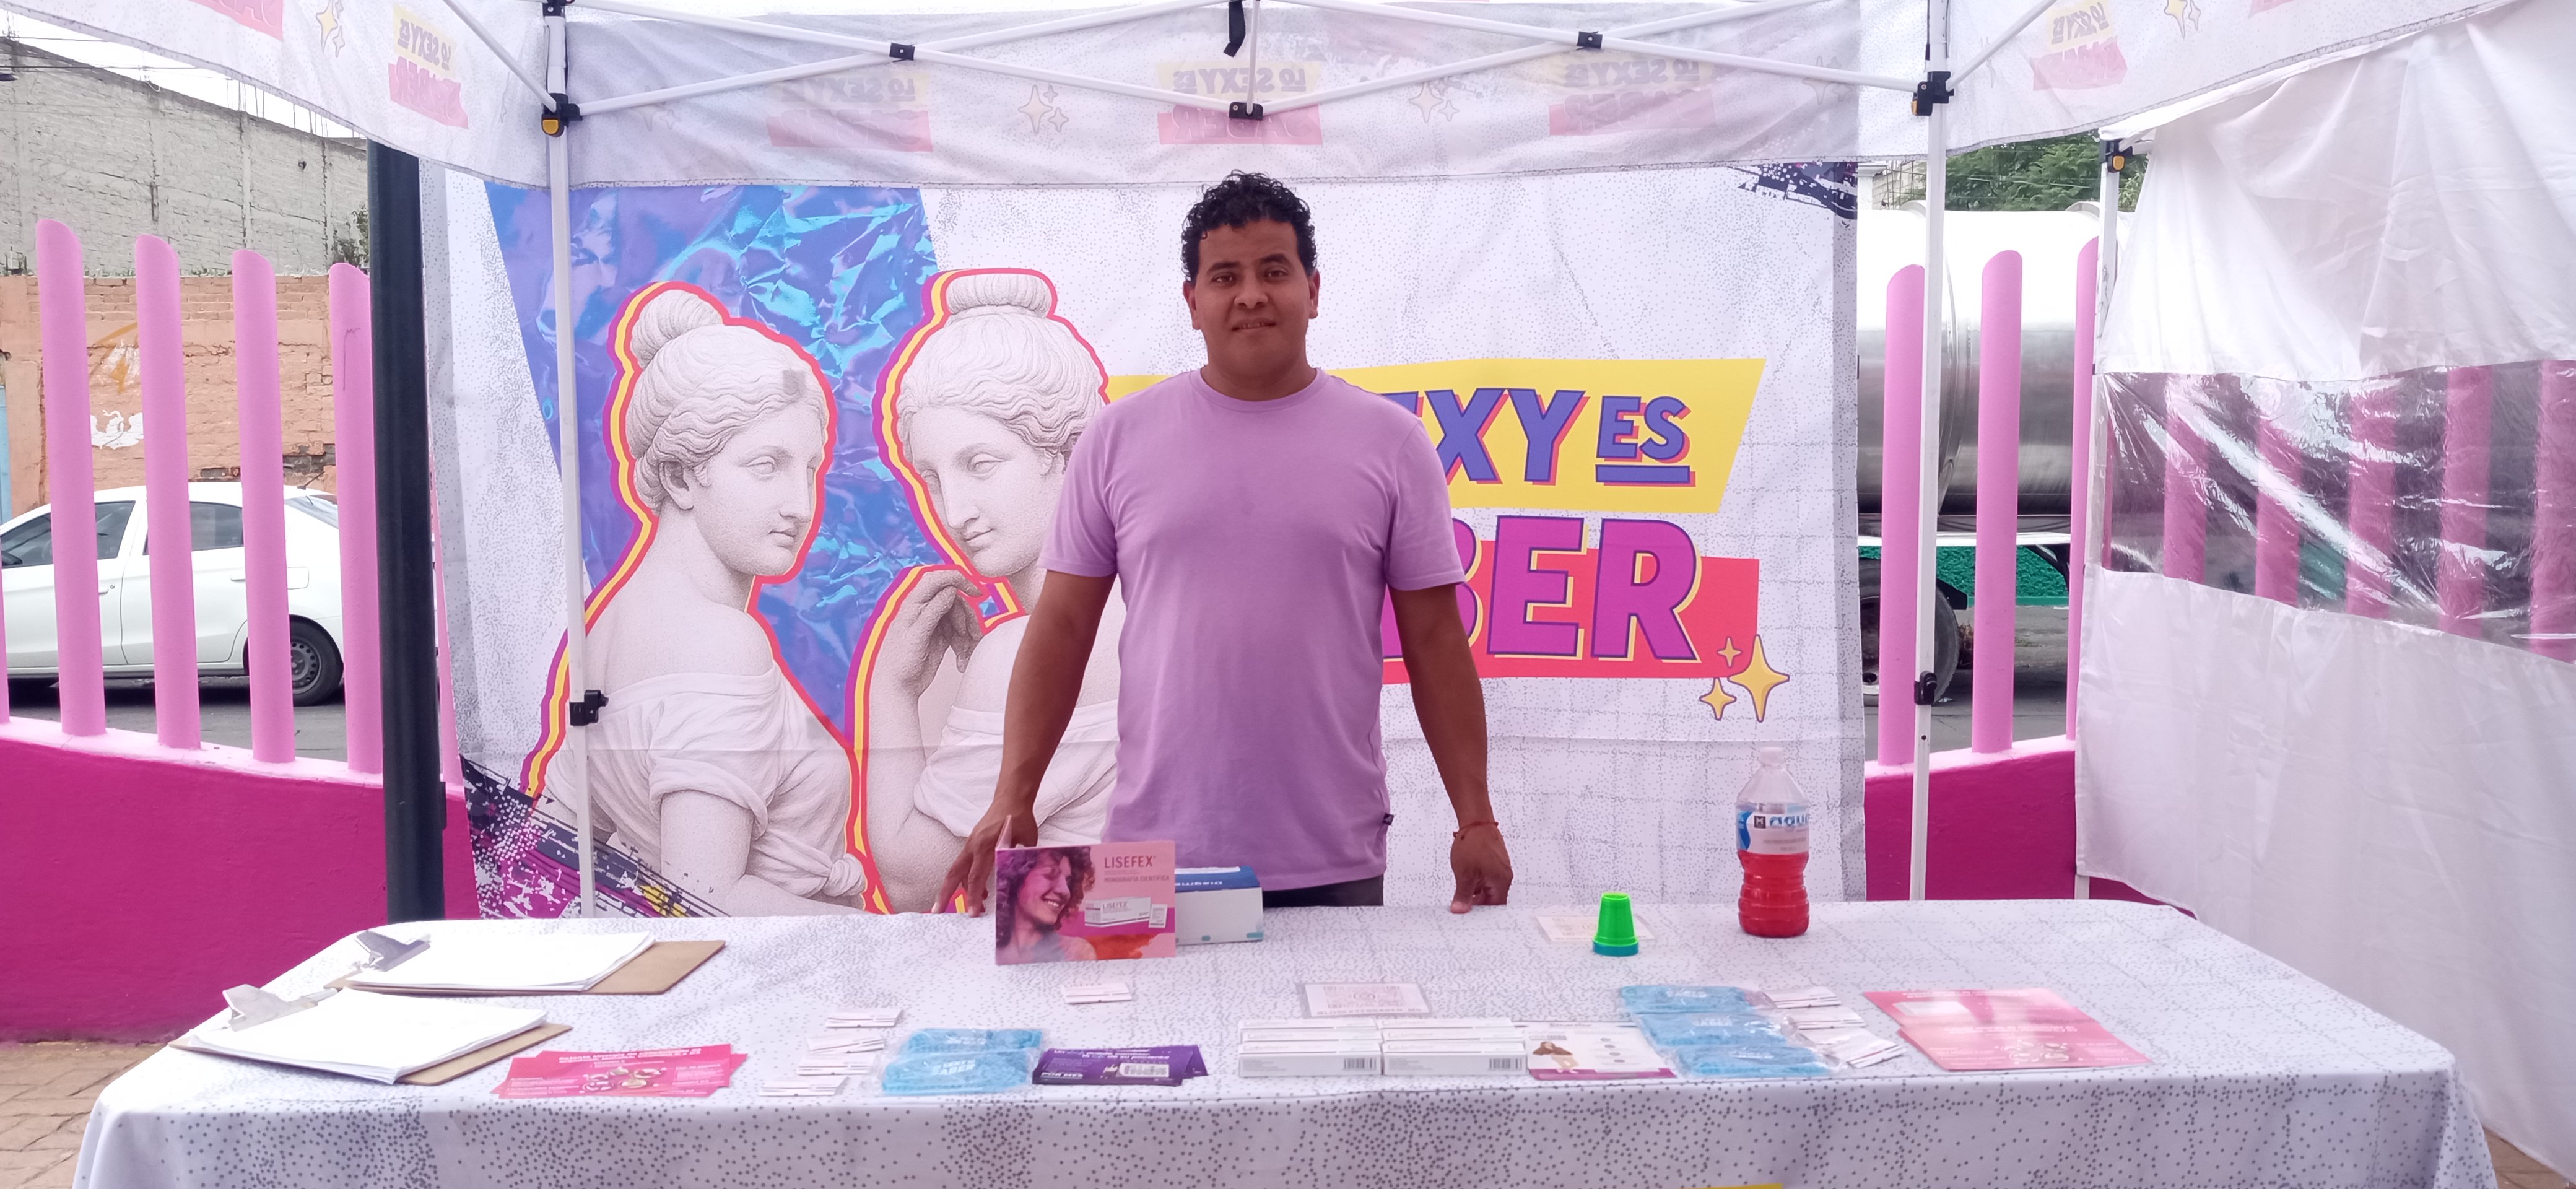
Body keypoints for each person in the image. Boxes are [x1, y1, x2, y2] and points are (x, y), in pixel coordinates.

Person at [942, 172, 1513, 914]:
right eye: (1224, 277)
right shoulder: (1117, 439)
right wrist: (1012, 796)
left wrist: (1475, 818)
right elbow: (1061, 628)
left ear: (1312, 290)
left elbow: (1435, 641)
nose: (1250, 295)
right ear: (1192, 302)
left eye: (1273, 271)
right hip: (1155, 855)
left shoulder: (1392, 444)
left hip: (1329, 854)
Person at [545, 285, 867, 915]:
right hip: (782, 967)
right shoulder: (719, 642)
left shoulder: (608, 632)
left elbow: (556, 848)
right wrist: (891, 941)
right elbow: (704, 896)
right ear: (679, 477)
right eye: (766, 465)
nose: (800, 505)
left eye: (809, 469)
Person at [860, 271, 1126, 912]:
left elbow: (914, 882)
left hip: (1078, 947)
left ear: (1069, 452)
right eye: (931, 477)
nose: (955, 512)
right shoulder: (1148, 606)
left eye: (980, 464)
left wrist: (889, 691)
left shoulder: (1023, 652)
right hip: (1137, 936)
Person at [993, 846, 1099, 964]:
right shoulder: (991, 950)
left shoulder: (1075, 952)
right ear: (1016, 878)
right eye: (1050, 875)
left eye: (1068, 881)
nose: (1065, 890)